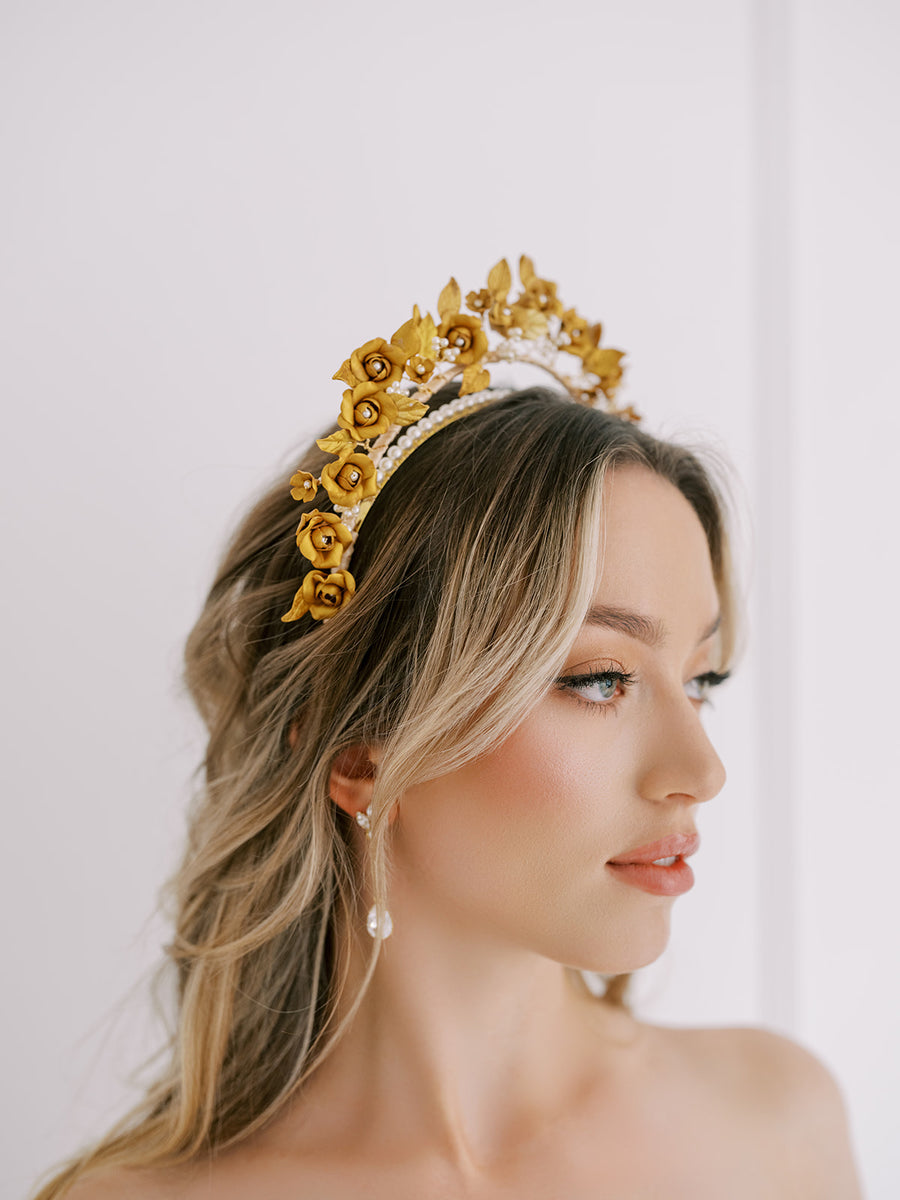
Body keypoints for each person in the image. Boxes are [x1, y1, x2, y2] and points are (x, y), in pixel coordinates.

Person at [34, 258, 862, 1198]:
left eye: (700, 678)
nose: (701, 770)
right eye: (598, 680)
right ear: (355, 751)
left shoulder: (775, 1125)